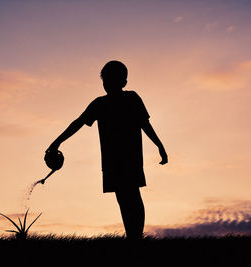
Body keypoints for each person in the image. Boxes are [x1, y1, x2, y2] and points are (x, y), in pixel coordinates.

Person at [46, 60, 168, 239]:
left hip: (128, 158)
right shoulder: (99, 104)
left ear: (123, 83)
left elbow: (145, 124)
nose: (107, 84)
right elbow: (78, 123)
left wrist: (160, 145)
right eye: (105, 81)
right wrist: (56, 143)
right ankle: (133, 236)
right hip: (113, 160)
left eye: (111, 80)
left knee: (131, 196)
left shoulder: (131, 99)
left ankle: (135, 237)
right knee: (125, 197)